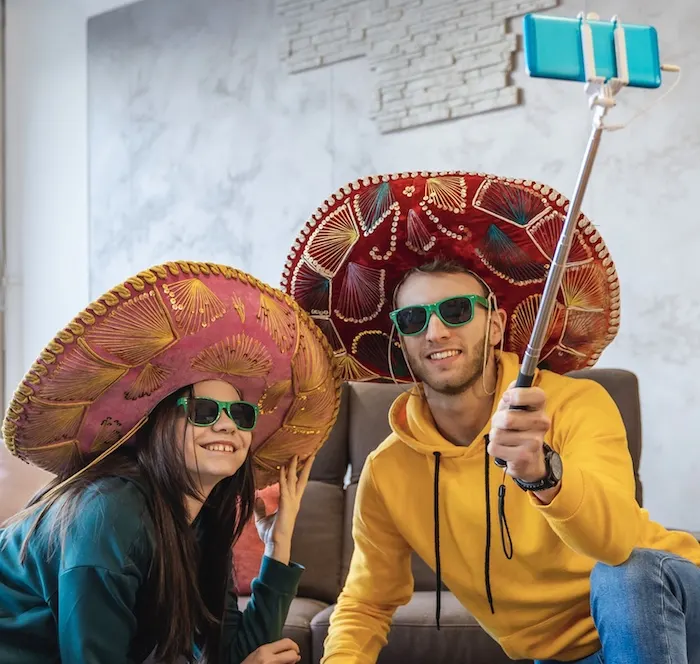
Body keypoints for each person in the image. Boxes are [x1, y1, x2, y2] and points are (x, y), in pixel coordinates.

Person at [281, 172, 700, 664]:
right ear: (401, 341)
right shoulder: (389, 471)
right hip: (564, 657)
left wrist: (545, 474)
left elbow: (616, 546)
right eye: (413, 320)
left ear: (496, 324)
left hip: (672, 608)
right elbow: (366, 602)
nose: (435, 330)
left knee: (623, 575)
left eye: (456, 310)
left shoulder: (574, 404)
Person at [0, 261, 341, 664]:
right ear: (158, 425)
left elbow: (235, 653)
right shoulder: (108, 514)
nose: (228, 426)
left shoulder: (203, 520)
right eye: (205, 410)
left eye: (242, 415)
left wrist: (277, 544)